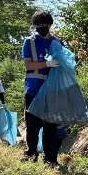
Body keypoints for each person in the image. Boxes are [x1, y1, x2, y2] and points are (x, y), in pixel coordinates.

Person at [21, 9, 64, 165]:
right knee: (32, 126)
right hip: (33, 91)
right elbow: (28, 65)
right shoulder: (30, 42)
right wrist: (46, 64)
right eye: (37, 25)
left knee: (51, 127)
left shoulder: (58, 43)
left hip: (53, 92)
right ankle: (31, 154)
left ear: (49, 25)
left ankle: (50, 159)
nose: (40, 27)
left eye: (43, 24)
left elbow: (64, 65)